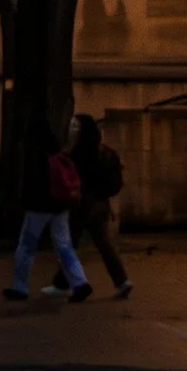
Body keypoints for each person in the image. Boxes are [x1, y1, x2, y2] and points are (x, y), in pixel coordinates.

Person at [0, 114, 91, 306]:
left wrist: (24, 201)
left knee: (26, 246)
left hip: (39, 207)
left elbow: (32, 183)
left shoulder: (33, 152)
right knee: (64, 246)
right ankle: (80, 282)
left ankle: (20, 287)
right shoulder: (55, 151)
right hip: (60, 206)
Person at [56, 112, 133, 300]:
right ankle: (121, 281)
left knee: (69, 244)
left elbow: (76, 178)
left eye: (76, 127)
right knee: (102, 244)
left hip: (82, 205)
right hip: (100, 204)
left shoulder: (80, 153)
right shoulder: (104, 152)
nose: (72, 130)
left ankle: (76, 284)